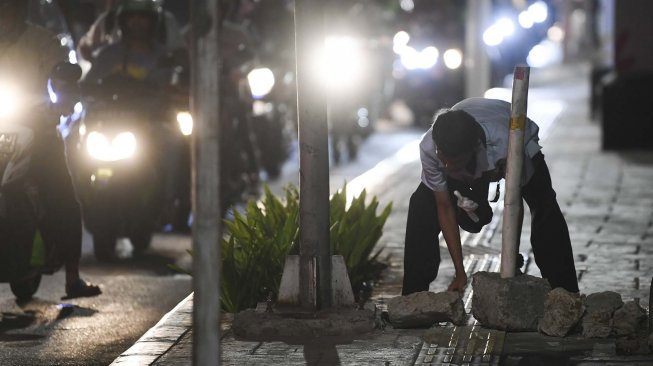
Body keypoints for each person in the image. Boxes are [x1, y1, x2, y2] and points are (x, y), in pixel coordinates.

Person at [402, 97, 579, 296]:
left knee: (544, 205)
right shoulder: (430, 147)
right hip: (466, 136)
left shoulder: (508, 144)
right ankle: (412, 295)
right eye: (444, 161)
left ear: (474, 150)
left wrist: (510, 260)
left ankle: (566, 291)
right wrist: (460, 273)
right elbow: (444, 207)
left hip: (512, 130)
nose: (446, 168)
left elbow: (514, 202)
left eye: (455, 163)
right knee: (421, 204)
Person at [0, 0, 101, 299]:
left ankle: (73, 278)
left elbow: (62, 77)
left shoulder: (42, 40)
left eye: (9, 6)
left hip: (36, 129)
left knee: (62, 195)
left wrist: (62, 100)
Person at [76, 0, 185, 64]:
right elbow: (85, 49)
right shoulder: (108, 21)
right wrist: (103, 66)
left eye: (144, 17)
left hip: (157, 94)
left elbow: (181, 54)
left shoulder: (165, 22)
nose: (136, 22)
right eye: (130, 17)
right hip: (116, 94)